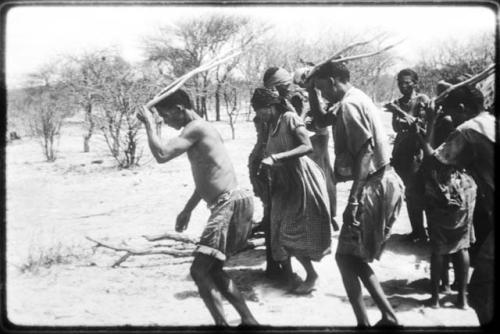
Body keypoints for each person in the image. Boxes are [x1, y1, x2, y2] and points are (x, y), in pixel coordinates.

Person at [137, 89, 258, 326]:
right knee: (212, 269)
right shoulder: (201, 129)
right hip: (231, 202)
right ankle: (248, 320)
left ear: (179, 109)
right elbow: (207, 176)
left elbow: (162, 155)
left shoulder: (196, 128)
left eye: (165, 115)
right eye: (160, 117)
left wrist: (149, 125)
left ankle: (225, 324)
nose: (165, 121)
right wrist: (188, 209)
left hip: (229, 203)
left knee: (199, 270)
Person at [311, 61, 404, 327]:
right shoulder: (352, 97)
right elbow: (320, 119)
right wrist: (310, 90)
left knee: (347, 256)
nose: (322, 95)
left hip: (374, 183)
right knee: (351, 256)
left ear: (332, 81)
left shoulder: (350, 105)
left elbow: (365, 152)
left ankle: (382, 317)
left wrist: (354, 198)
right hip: (379, 179)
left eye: (322, 89)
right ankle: (376, 318)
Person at [414, 85, 494, 325]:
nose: (451, 119)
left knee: (480, 289)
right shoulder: (491, 121)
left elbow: (434, 161)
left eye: (453, 113)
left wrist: (427, 126)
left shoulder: (468, 129)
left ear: (462, 109)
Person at [251, 87, 332, 295]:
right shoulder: (270, 124)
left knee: (292, 231)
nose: (258, 115)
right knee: (276, 231)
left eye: (260, 110)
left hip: (299, 181)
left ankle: (311, 274)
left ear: (270, 106)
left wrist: (277, 158)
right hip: (280, 183)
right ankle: (288, 276)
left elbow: (307, 147)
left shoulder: (290, 118)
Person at [418, 96, 477, 309]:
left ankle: (435, 297)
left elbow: (433, 158)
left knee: (439, 247)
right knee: (462, 245)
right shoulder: (471, 127)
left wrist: (428, 126)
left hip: (444, 188)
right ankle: (461, 297)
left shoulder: (450, 126)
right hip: (466, 186)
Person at [265, 67, 338, 229]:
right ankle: (328, 215)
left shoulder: (298, 96)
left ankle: (322, 216)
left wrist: (302, 115)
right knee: (323, 174)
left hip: (314, 139)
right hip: (317, 137)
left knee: (316, 177)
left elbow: (303, 123)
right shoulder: (300, 95)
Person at [385, 69, 430, 243]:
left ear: (415, 83)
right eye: (400, 82)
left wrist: (399, 112)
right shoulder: (397, 102)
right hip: (401, 151)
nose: (403, 86)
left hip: (416, 151)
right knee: (409, 193)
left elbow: (420, 126)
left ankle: (424, 231)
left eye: (407, 82)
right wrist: (403, 119)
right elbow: (397, 127)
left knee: (418, 191)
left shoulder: (422, 100)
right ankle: (417, 230)